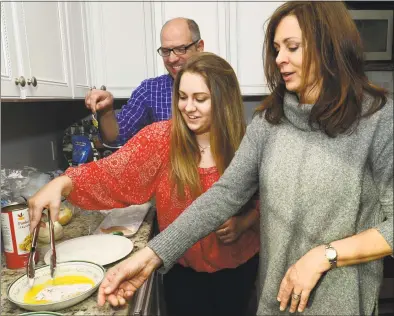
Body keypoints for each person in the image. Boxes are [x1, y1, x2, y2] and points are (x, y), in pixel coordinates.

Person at [80, 2, 392, 315]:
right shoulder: (271, 120)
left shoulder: (378, 121)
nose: (279, 59)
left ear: (330, 47)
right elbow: (224, 195)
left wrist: (324, 256)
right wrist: (148, 257)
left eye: (292, 47)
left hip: (342, 304)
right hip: (276, 298)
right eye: (276, 48)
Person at [28, 53, 260, 316]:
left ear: (223, 100)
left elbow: (268, 200)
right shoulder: (161, 139)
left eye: (200, 99)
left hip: (238, 266)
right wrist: (64, 182)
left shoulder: (249, 144)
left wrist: (245, 221)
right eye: (182, 97)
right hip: (180, 268)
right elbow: (112, 173)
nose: (188, 107)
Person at [85, 17, 204, 145]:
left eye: (181, 49)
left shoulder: (222, 86)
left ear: (199, 47)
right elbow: (117, 137)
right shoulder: (150, 90)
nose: (172, 59)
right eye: (165, 51)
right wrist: (107, 111)